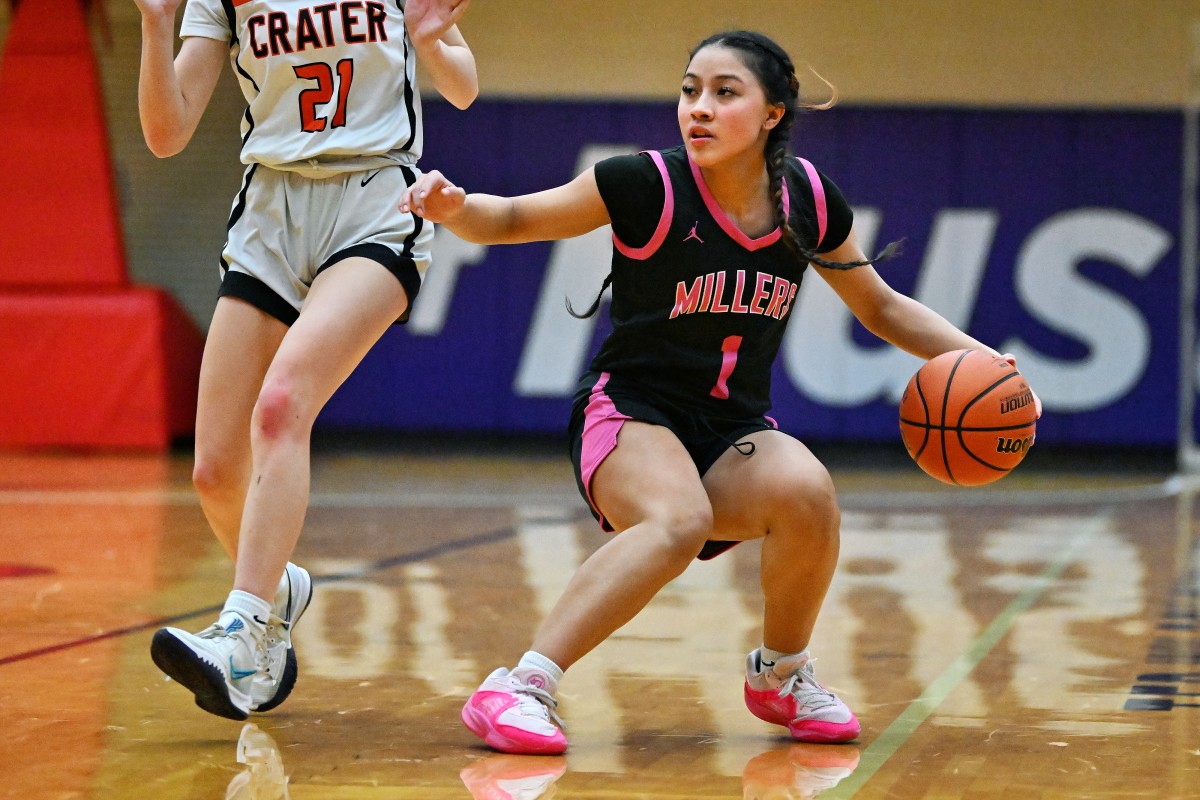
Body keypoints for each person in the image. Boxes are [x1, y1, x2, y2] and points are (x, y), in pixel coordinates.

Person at [401, 29, 1037, 754]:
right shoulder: (647, 183)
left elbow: (883, 308)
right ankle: (519, 686)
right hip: (629, 412)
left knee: (808, 494)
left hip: (728, 426)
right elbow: (514, 217)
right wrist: (456, 208)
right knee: (678, 521)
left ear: (772, 113)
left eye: (724, 92)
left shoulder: (807, 202)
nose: (698, 108)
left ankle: (780, 676)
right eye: (689, 90)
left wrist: (997, 367)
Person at [135, 0, 477, 720]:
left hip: (374, 200)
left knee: (285, 404)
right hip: (269, 211)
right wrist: (155, 24)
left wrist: (430, 40)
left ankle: (244, 627)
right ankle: (278, 589)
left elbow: (465, 84)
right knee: (214, 470)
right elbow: (166, 134)